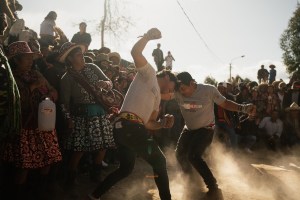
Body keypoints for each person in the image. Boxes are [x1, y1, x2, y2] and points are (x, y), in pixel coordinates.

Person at [88, 28, 175, 200]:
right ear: (167, 78)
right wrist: (148, 37)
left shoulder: (157, 99)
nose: (173, 90)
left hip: (127, 129)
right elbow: (135, 52)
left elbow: (149, 124)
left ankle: (93, 195)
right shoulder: (148, 73)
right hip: (128, 127)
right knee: (160, 161)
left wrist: (163, 123)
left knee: (125, 169)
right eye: (174, 85)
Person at [174, 72, 256, 200]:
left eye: (184, 89)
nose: (182, 93)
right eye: (180, 90)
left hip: (206, 128)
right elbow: (161, 94)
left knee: (194, 156)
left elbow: (225, 103)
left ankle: (214, 188)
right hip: (188, 129)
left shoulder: (208, 90)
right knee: (179, 154)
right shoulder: (177, 92)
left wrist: (243, 108)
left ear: (191, 83)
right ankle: (192, 182)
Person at [1, 41, 62, 199]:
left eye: (31, 58)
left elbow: (52, 90)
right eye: (27, 58)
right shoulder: (10, 78)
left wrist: (51, 95)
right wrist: (33, 87)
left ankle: (40, 191)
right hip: (24, 126)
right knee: (24, 165)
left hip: (43, 122)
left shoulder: (37, 73)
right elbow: (16, 102)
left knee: (49, 158)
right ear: (16, 60)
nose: (31, 61)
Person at [58, 42, 115, 188]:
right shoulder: (66, 78)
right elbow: (64, 103)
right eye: (78, 55)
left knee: (103, 146)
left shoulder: (93, 67)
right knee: (79, 149)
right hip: (81, 116)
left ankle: (95, 174)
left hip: (100, 112)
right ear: (70, 59)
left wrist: (105, 84)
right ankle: (71, 178)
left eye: (81, 54)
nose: (82, 57)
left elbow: (110, 83)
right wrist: (69, 119)